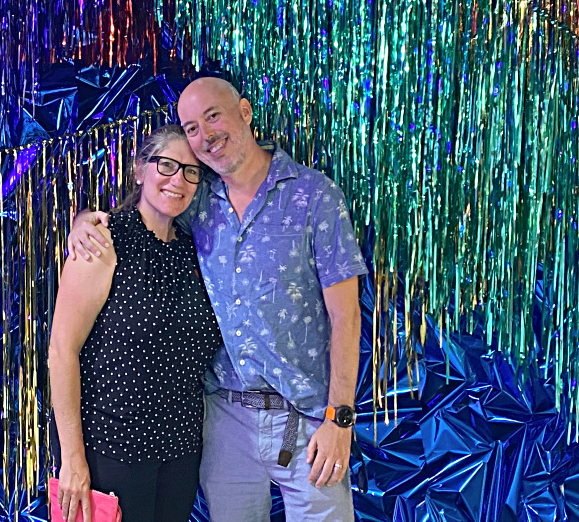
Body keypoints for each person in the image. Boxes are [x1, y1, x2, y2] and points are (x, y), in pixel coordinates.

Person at [68, 78, 367, 522]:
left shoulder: (314, 196)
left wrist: (339, 418)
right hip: (226, 419)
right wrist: (84, 222)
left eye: (213, 116)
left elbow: (345, 314)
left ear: (244, 112)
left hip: (304, 420)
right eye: (191, 127)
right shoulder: (196, 198)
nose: (205, 135)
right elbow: (150, 203)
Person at [49, 124, 222, 522]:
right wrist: (73, 458)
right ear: (140, 169)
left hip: (179, 450)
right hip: (112, 449)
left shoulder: (192, 252)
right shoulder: (101, 241)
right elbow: (62, 352)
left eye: (191, 171)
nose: (178, 179)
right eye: (167, 165)